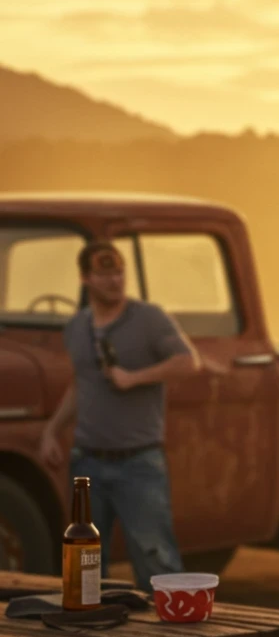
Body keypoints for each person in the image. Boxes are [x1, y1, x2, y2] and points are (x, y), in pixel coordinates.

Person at [37, 241, 198, 593]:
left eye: (119, 271)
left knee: (157, 560)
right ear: (85, 278)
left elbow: (187, 362)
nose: (115, 280)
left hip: (138, 462)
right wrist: (51, 431)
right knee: (86, 566)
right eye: (105, 273)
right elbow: (81, 385)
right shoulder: (76, 327)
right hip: (86, 463)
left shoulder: (149, 318)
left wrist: (134, 378)